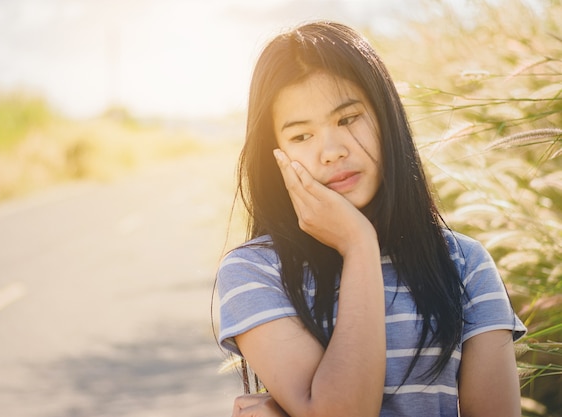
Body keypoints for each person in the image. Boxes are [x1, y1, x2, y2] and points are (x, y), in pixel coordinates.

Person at [215, 21, 526, 417]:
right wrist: (360, 246)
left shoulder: (463, 264)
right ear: (275, 154)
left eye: (347, 119)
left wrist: (357, 241)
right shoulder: (255, 271)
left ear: (386, 118)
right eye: (300, 136)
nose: (331, 151)